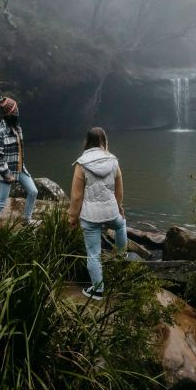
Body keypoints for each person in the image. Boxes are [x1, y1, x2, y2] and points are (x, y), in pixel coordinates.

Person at [68, 127, 127, 300]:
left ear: (87, 142)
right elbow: (119, 190)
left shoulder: (82, 164)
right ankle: (121, 255)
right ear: (104, 141)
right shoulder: (113, 161)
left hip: (91, 216)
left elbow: (76, 196)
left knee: (93, 254)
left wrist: (72, 218)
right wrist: (119, 208)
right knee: (121, 224)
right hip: (111, 211)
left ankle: (98, 290)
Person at [0, 97, 38, 226]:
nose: (18, 111)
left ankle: (27, 220)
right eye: (16, 109)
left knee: (33, 191)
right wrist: (7, 174)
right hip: (6, 172)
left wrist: (21, 167)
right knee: (0, 203)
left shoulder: (17, 127)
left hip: (20, 168)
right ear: (11, 112)